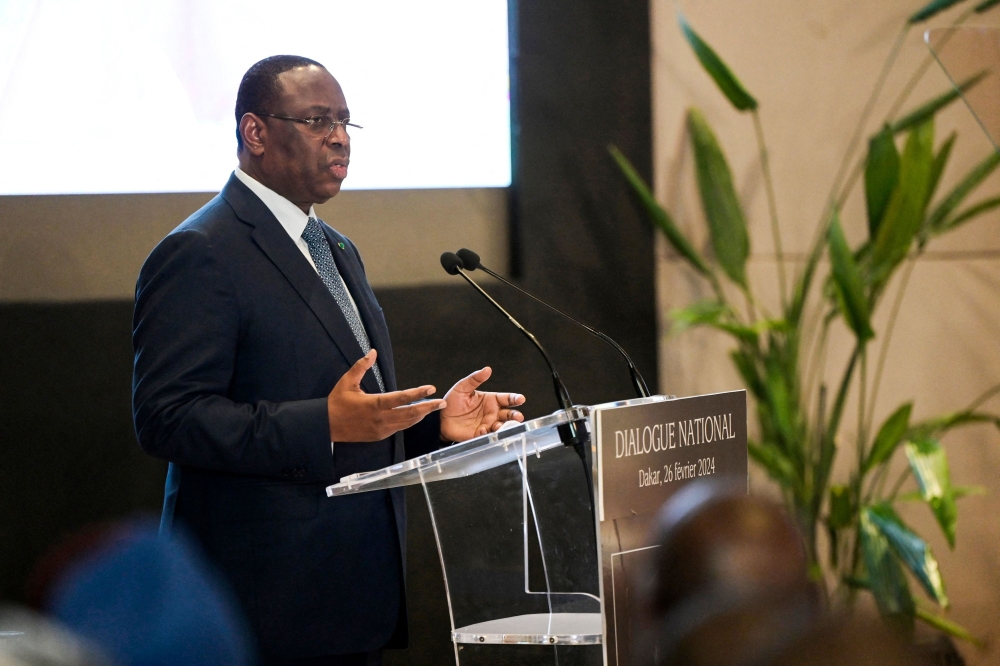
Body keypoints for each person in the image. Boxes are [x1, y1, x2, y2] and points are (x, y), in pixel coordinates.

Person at [131, 54, 526, 665]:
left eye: (344, 121)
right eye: (318, 121)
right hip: (261, 603)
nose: (339, 137)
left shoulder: (336, 247)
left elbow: (354, 414)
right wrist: (322, 423)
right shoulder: (199, 251)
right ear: (255, 132)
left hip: (351, 594)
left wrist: (431, 425)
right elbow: (167, 417)